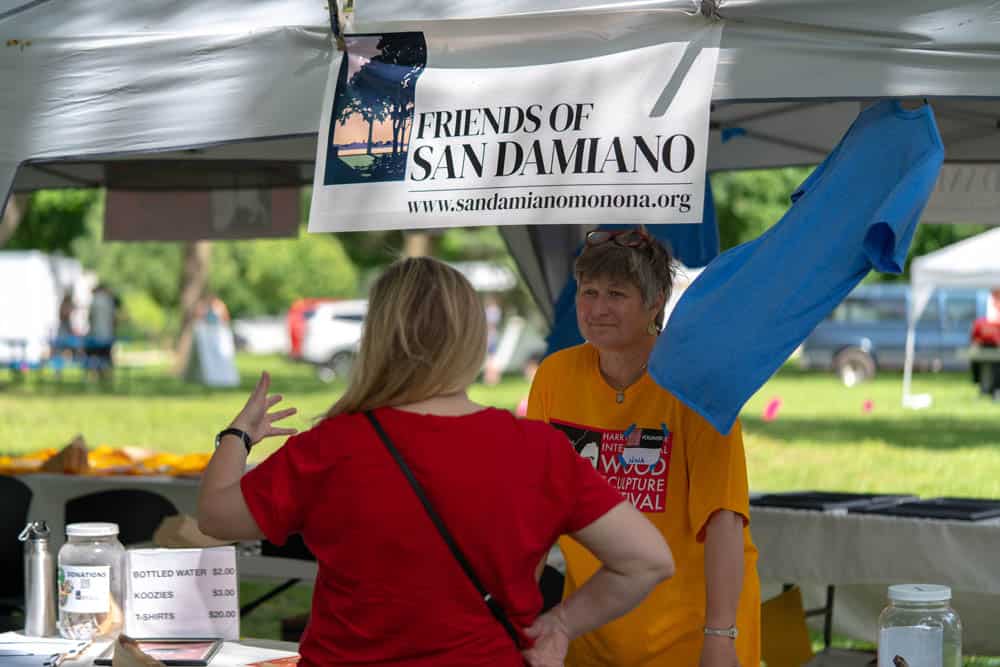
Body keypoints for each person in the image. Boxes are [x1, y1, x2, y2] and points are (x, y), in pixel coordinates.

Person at [198, 257, 675, 667]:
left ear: (379, 336)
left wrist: (238, 435)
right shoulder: (539, 449)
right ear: (472, 337)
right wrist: (562, 624)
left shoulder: (333, 446)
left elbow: (216, 516)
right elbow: (646, 561)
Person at [527, 226, 760, 667]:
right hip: (591, 627)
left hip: (696, 633)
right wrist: (520, 616)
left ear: (654, 302)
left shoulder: (695, 383)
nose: (597, 308)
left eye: (616, 294)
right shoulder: (555, 376)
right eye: (588, 291)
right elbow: (535, 510)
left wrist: (720, 636)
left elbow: (724, 520)